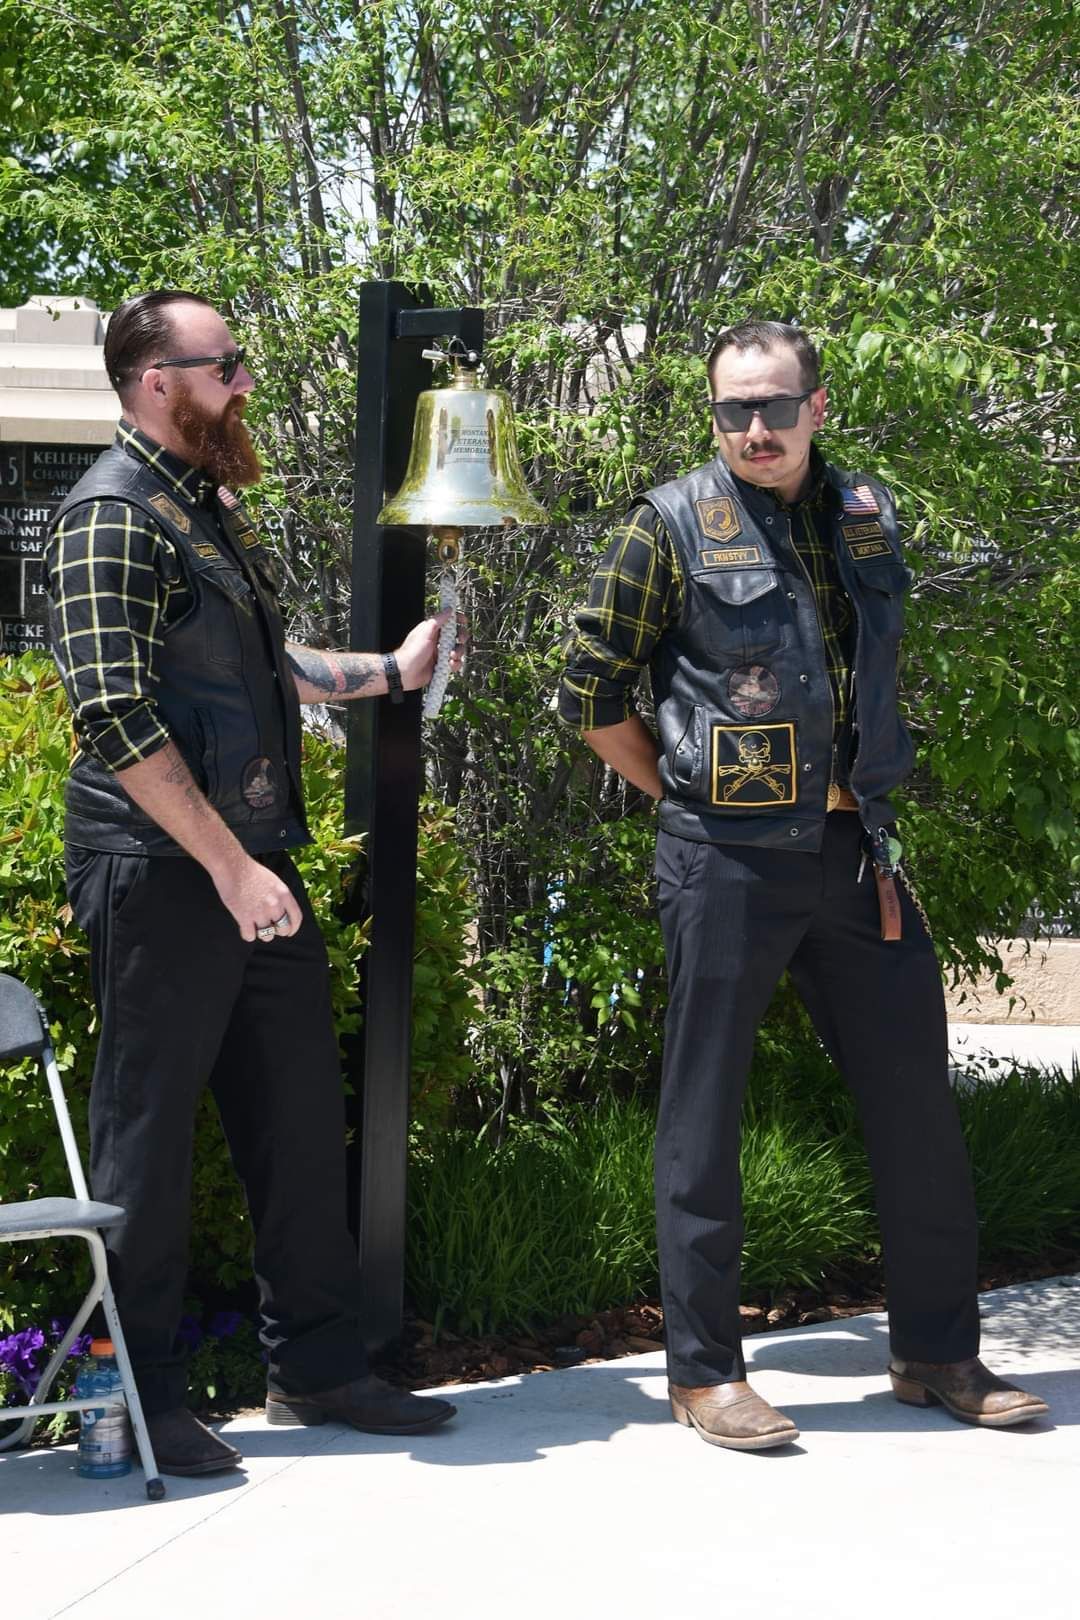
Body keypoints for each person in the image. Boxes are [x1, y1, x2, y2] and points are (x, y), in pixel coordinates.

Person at [559, 320, 1048, 1451]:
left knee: (917, 1107)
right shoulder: (667, 524)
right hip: (723, 859)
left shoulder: (866, 512)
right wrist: (681, 793)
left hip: (856, 850)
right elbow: (589, 689)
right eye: (733, 409)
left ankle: (938, 1354)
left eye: (774, 406)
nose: (755, 429)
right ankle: (706, 1376)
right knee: (704, 1113)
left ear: (817, 408)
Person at [44, 290, 458, 1476]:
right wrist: (227, 867)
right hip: (162, 871)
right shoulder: (110, 517)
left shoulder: (196, 511)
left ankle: (318, 1369)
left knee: (295, 1117)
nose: (243, 384)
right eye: (222, 365)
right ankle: (138, 1402)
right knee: (146, 1140)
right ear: (154, 381)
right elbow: (114, 714)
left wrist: (387, 672)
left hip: (249, 861)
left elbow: (263, 665)